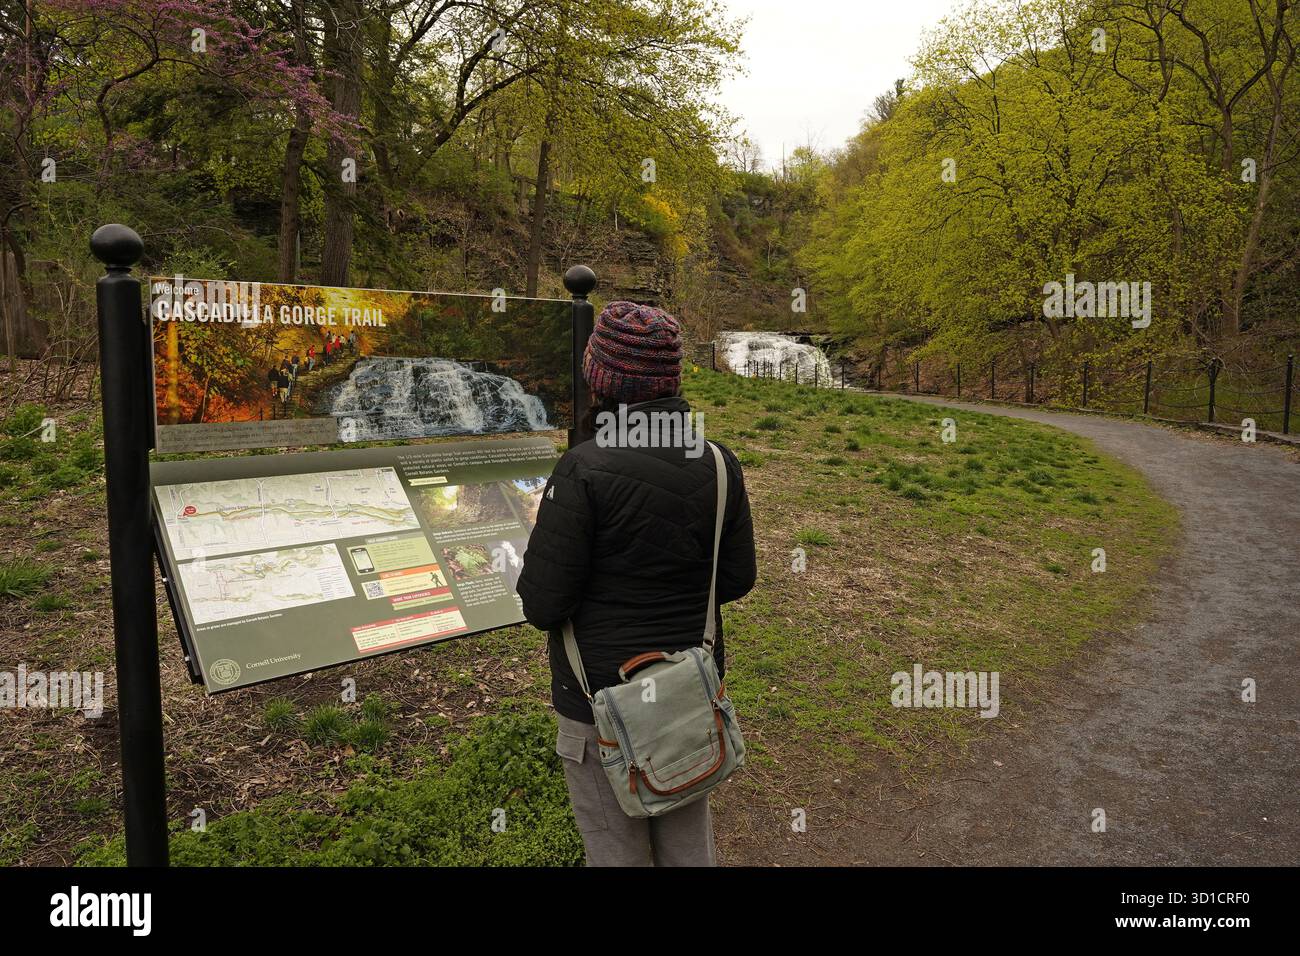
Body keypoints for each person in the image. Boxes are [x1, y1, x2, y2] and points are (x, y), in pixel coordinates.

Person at [516, 301, 756, 867]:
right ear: (671, 380)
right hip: (687, 689)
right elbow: (738, 578)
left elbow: (544, 603)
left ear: (599, 379)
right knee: (688, 841)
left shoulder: (581, 469)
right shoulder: (719, 463)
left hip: (599, 700)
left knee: (615, 851)